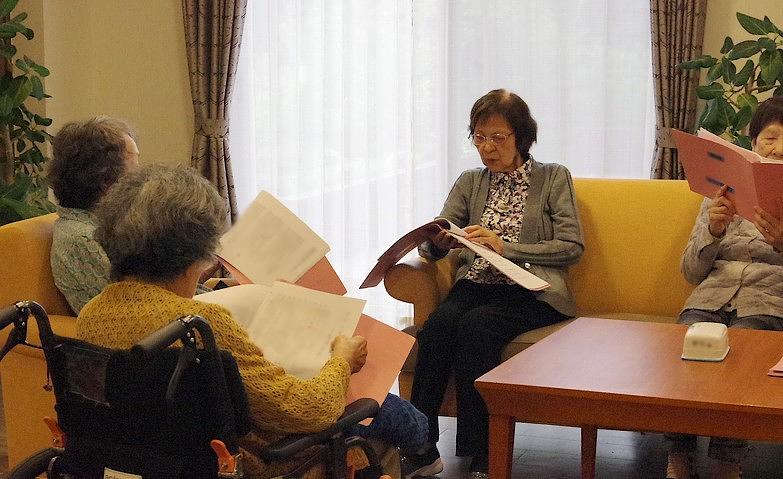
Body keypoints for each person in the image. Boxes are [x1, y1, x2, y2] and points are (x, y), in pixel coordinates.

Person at [77, 164, 428, 479]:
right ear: (198, 251)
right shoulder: (199, 325)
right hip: (249, 463)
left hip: (141, 462)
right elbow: (308, 410)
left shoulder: (92, 315)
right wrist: (342, 361)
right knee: (394, 425)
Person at [402, 89, 584, 479]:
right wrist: (439, 242)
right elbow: (432, 242)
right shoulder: (470, 181)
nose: (487, 148)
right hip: (477, 283)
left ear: (522, 136)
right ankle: (420, 446)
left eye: (498, 138)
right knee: (437, 327)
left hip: (532, 290)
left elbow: (571, 247)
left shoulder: (553, 177)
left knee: (477, 327)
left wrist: (506, 247)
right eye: (479, 137)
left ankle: (482, 452)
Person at [667, 96, 783, 479]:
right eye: (770, 138)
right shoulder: (720, 192)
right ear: (754, 142)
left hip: (767, 301)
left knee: (744, 348)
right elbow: (690, 272)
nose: (778, 148)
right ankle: (679, 453)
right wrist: (713, 229)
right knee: (688, 341)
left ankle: (726, 461)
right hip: (711, 294)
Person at [47, 117, 140, 313]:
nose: (142, 181)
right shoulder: (82, 240)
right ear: (106, 182)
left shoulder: (110, 223)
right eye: (135, 172)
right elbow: (132, 309)